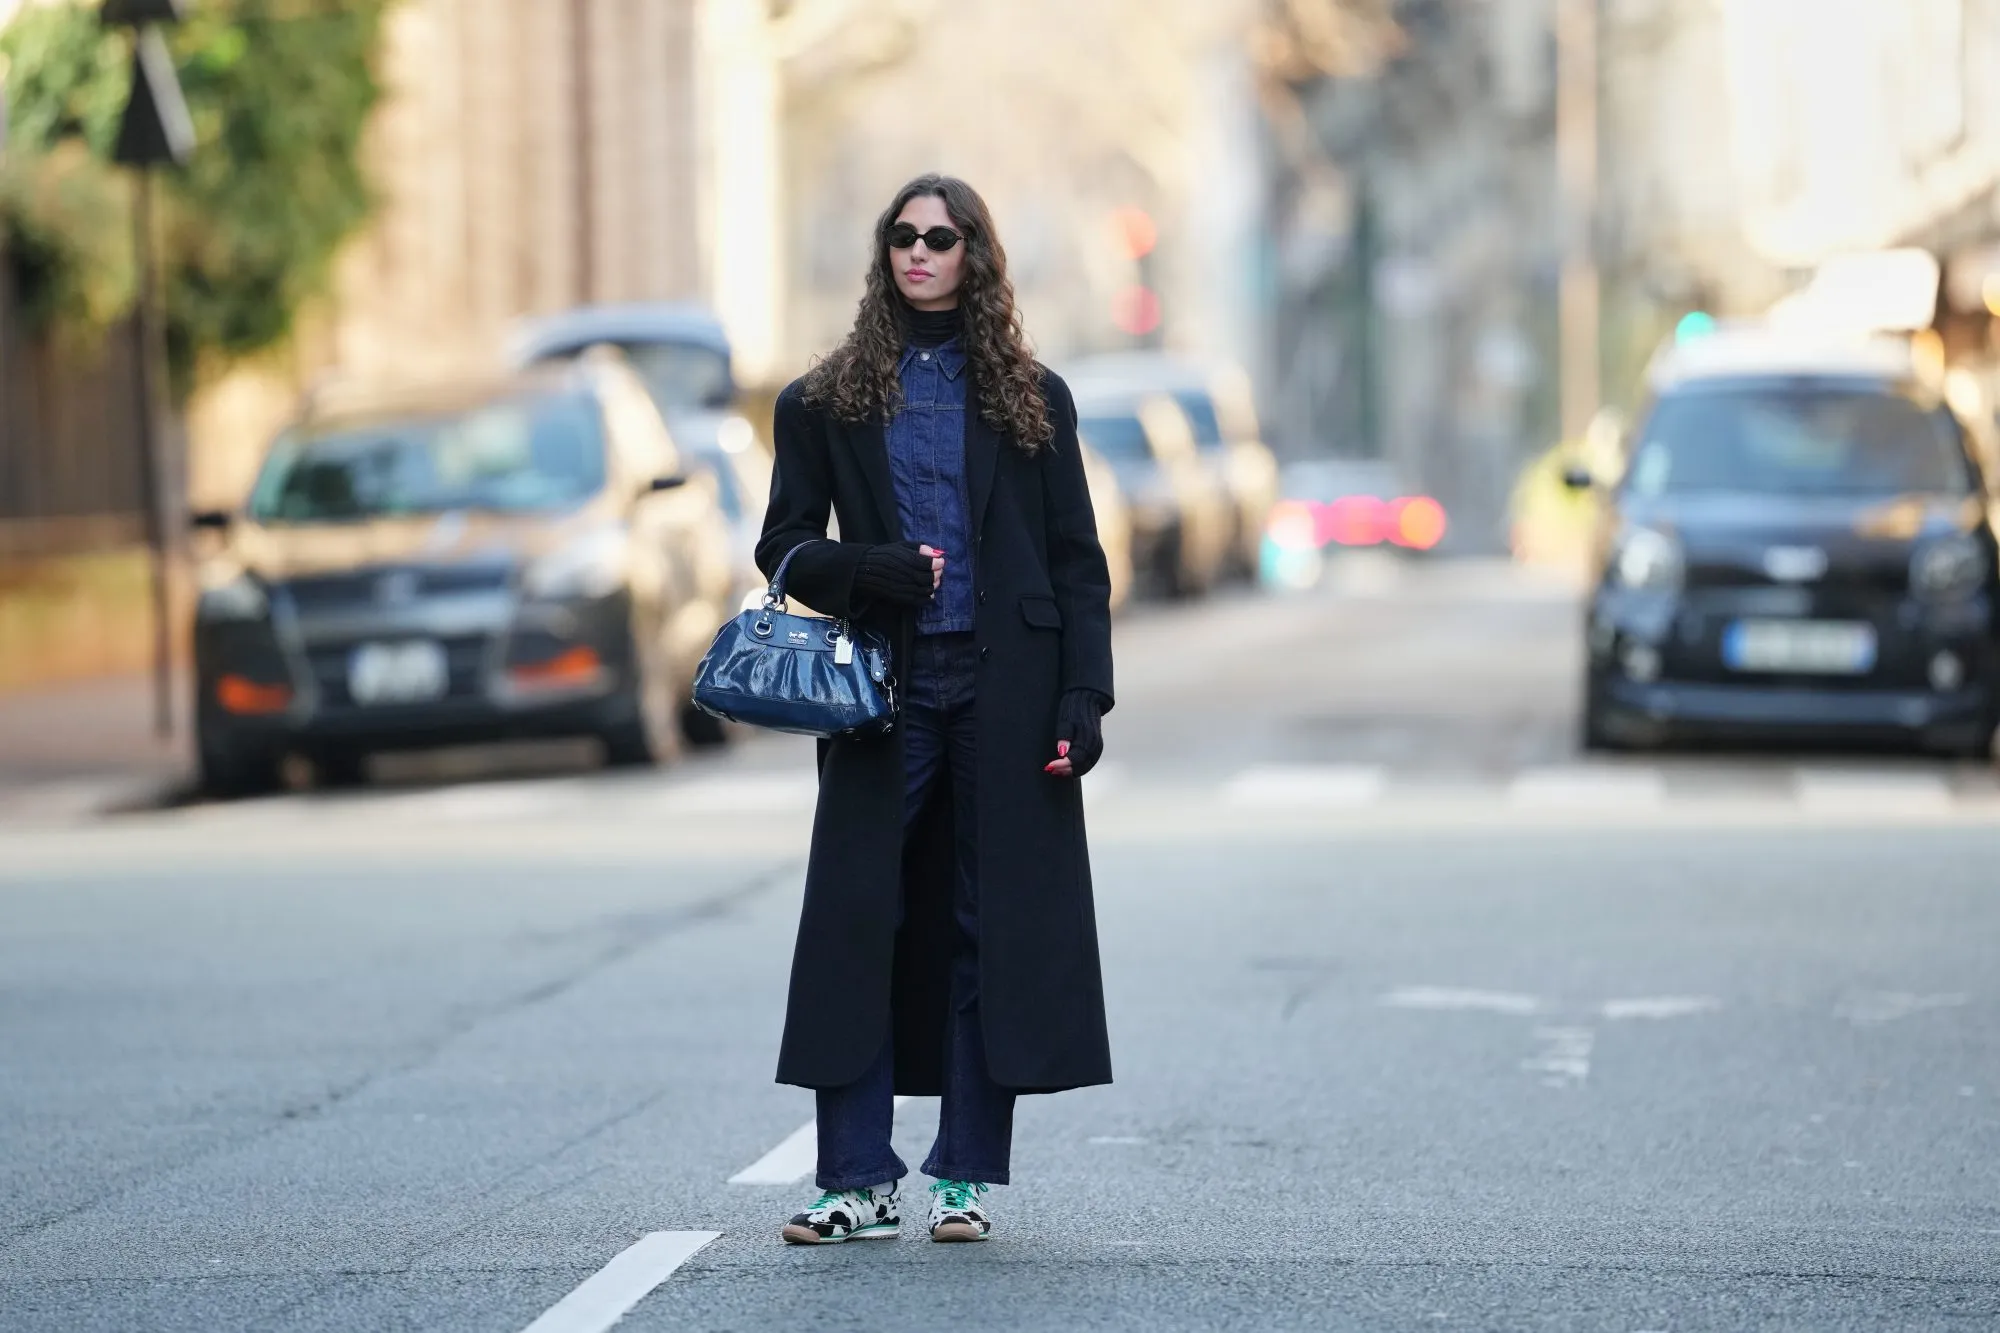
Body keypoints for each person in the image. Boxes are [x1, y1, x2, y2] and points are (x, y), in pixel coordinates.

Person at [756, 174, 1115, 1245]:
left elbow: (1075, 561)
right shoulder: (822, 401)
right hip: (881, 696)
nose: (918, 252)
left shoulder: (1031, 398)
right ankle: (853, 1180)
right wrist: (869, 569)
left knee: (984, 925)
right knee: (859, 922)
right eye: (902, 238)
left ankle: (963, 1175)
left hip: (1003, 694)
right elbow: (783, 549)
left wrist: (1083, 696)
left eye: (939, 237)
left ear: (974, 255)